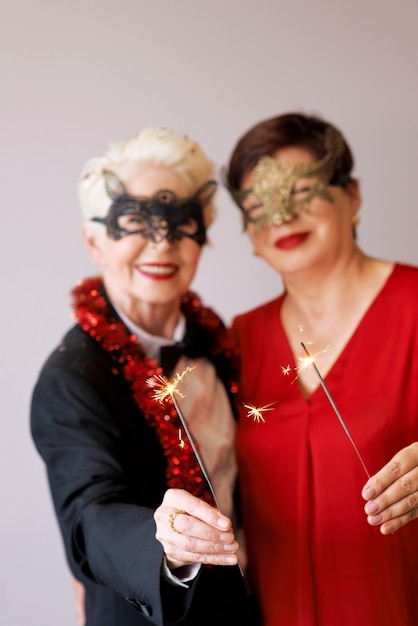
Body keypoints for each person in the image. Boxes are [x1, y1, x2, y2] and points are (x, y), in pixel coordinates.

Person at [30, 127, 260, 626]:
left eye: (181, 223)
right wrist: (166, 544)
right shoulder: (71, 376)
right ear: (94, 241)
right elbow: (89, 516)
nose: (162, 243)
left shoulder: (220, 342)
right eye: (134, 221)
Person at [224, 112, 418, 626]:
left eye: (301, 190)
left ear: (351, 196)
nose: (281, 217)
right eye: (259, 206)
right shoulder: (237, 341)